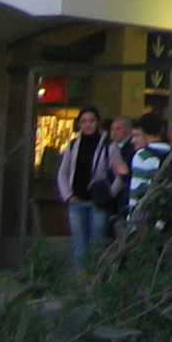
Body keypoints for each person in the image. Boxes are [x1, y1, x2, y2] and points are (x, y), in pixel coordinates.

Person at [55, 106, 108, 263]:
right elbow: (62, 173)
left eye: (91, 121)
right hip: (76, 202)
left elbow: (117, 173)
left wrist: (108, 194)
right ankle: (81, 283)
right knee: (80, 246)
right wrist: (68, 195)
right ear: (79, 124)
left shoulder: (107, 145)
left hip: (97, 202)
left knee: (97, 246)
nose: (88, 125)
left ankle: (95, 281)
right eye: (84, 121)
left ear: (97, 122)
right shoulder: (73, 146)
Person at [123, 110, 172, 229]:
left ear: (142, 131)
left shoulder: (142, 156)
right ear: (161, 130)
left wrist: (131, 221)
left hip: (149, 220)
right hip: (170, 218)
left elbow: (136, 192)